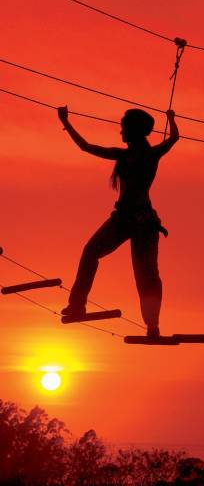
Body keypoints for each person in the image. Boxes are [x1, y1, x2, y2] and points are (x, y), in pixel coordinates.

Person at [57, 105, 179, 338]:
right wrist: (67, 122)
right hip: (123, 219)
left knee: (146, 274)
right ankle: (77, 305)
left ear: (133, 131)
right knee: (90, 251)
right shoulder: (124, 155)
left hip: (143, 222)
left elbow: (174, 137)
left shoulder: (151, 154)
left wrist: (171, 118)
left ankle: (152, 325)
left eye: (122, 127)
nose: (120, 132)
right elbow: (87, 147)